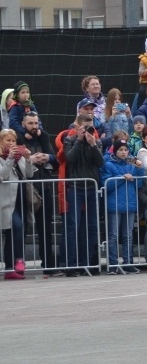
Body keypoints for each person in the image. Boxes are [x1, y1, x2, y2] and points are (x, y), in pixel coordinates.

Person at [16, 112, 60, 274]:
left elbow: (55, 160)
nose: (34, 126)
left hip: (44, 188)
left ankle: (48, 265)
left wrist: (47, 157)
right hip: (24, 188)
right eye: (31, 123)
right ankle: (18, 264)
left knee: (45, 228)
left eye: (36, 123)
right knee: (21, 227)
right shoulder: (18, 137)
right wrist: (30, 159)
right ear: (23, 124)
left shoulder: (44, 137)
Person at [62, 114, 105, 276]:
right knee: (74, 226)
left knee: (92, 226)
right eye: (85, 126)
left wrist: (93, 145)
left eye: (91, 126)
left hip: (92, 188)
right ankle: (72, 265)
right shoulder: (70, 140)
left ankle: (87, 264)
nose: (89, 129)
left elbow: (100, 163)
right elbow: (70, 159)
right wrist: (79, 140)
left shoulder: (97, 142)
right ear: (77, 126)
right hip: (75, 187)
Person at [100, 136, 145, 274]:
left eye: (126, 150)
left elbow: (138, 184)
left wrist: (138, 170)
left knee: (129, 235)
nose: (124, 152)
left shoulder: (132, 165)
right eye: (121, 150)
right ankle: (113, 264)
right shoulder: (108, 165)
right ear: (115, 151)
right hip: (114, 206)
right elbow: (106, 184)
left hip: (130, 204)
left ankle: (128, 262)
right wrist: (122, 178)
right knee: (113, 235)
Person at [0, 128, 33, 280]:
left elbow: (29, 174)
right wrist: (10, 159)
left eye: (13, 141)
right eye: (8, 140)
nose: (12, 143)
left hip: (19, 198)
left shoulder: (18, 156)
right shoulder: (3, 157)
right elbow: (3, 175)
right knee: (15, 227)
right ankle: (15, 262)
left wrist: (27, 159)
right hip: (5, 200)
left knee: (16, 230)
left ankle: (13, 266)